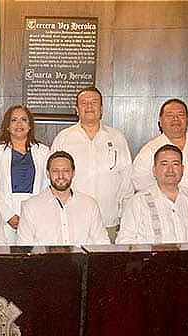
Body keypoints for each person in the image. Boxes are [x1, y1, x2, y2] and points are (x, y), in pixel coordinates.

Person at [51, 87, 133, 242]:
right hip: (72, 221)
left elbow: (127, 181)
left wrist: (125, 218)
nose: (89, 107)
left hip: (109, 221)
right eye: (84, 103)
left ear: (101, 109)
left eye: (94, 102)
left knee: (106, 265)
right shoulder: (63, 138)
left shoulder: (117, 138)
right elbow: (52, 179)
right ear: (77, 109)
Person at [117, 144, 188, 244]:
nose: (170, 170)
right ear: (154, 170)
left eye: (175, 164)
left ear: (182, 170)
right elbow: (125, 240)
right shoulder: (138, 201)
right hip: (152, 259)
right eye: (164, 164)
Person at [0, 104, 50, 243]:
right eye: (14, 120)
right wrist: (9, 216)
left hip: (36, 214)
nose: (19, 124)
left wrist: (35, 215)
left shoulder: (44, 151)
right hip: (5, 216)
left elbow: (47, 186)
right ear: (7, 126)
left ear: (30, 126)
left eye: (24, 119)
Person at [17, 151, 109, 245]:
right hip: (44, 260)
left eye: (66, 171)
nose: (61, 176)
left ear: (73, 173)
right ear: (48, 174)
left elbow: (102, 243)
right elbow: (24, 247)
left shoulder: (89, 205)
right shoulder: (30, 207)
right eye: (55, 171)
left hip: (81, 260)